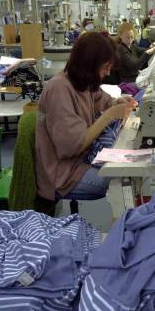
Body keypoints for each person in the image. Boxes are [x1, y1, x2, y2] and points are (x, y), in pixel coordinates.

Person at [35, 32, 137, 201]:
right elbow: (72, 146)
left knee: (127, 171)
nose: (107, 72)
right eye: (105, 67)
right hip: (64, 175)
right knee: (121, 180)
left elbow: (103, 101)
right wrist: (110, 115)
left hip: (82, 161)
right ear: (89, 64)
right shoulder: (59, 89)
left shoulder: (84, 82)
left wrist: (117, 102)